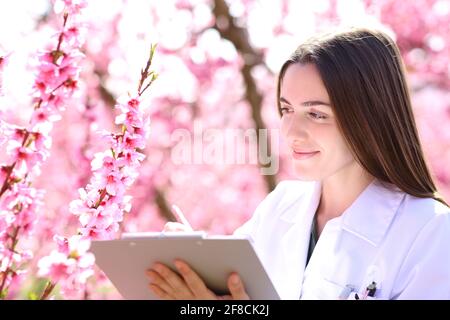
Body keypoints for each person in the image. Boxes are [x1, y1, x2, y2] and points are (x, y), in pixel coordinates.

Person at [145, 27, 450, 300]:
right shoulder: (279, 208)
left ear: (369, 117)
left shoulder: (431, 232)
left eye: (316, 114)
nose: (290, 132)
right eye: (286, 109)